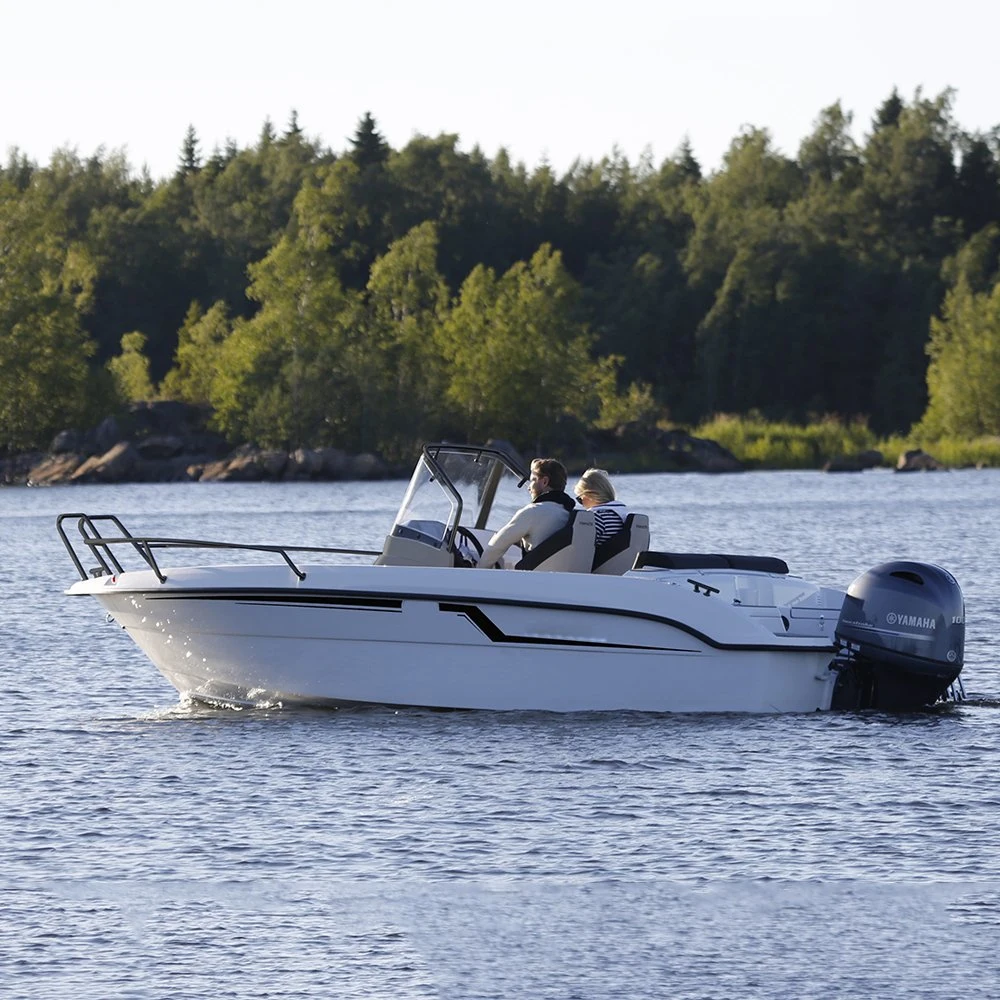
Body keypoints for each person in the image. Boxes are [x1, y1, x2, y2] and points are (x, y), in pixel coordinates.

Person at [476, 458, 575, 568]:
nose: (529, 487)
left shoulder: (533, 512)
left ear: (544, 482)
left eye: (532, 480)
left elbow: (497, 546)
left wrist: (479, 569)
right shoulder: (571, 514)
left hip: (534, 581)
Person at [573, 468, 630, 544]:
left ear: (590, 495)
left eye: (580, 499)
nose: (582, 504)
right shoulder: (626, 517)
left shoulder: (596, 520)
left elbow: (579, 546)